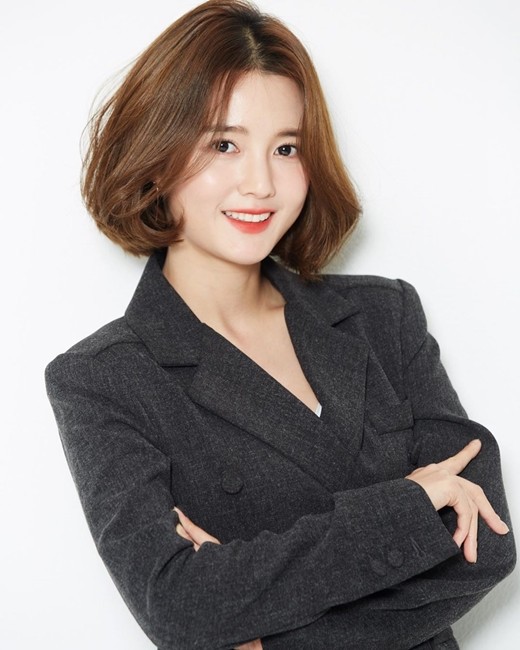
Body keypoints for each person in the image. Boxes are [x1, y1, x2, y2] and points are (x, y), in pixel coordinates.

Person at [45, 1, 515, 648]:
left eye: (286, 147)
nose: (260, 183)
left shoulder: (383, 316)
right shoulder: (103, 379)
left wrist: (270, 635)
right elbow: (178, 607)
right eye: (224, 145)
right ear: (156, 157)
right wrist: (406, 507)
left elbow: (487, 544)